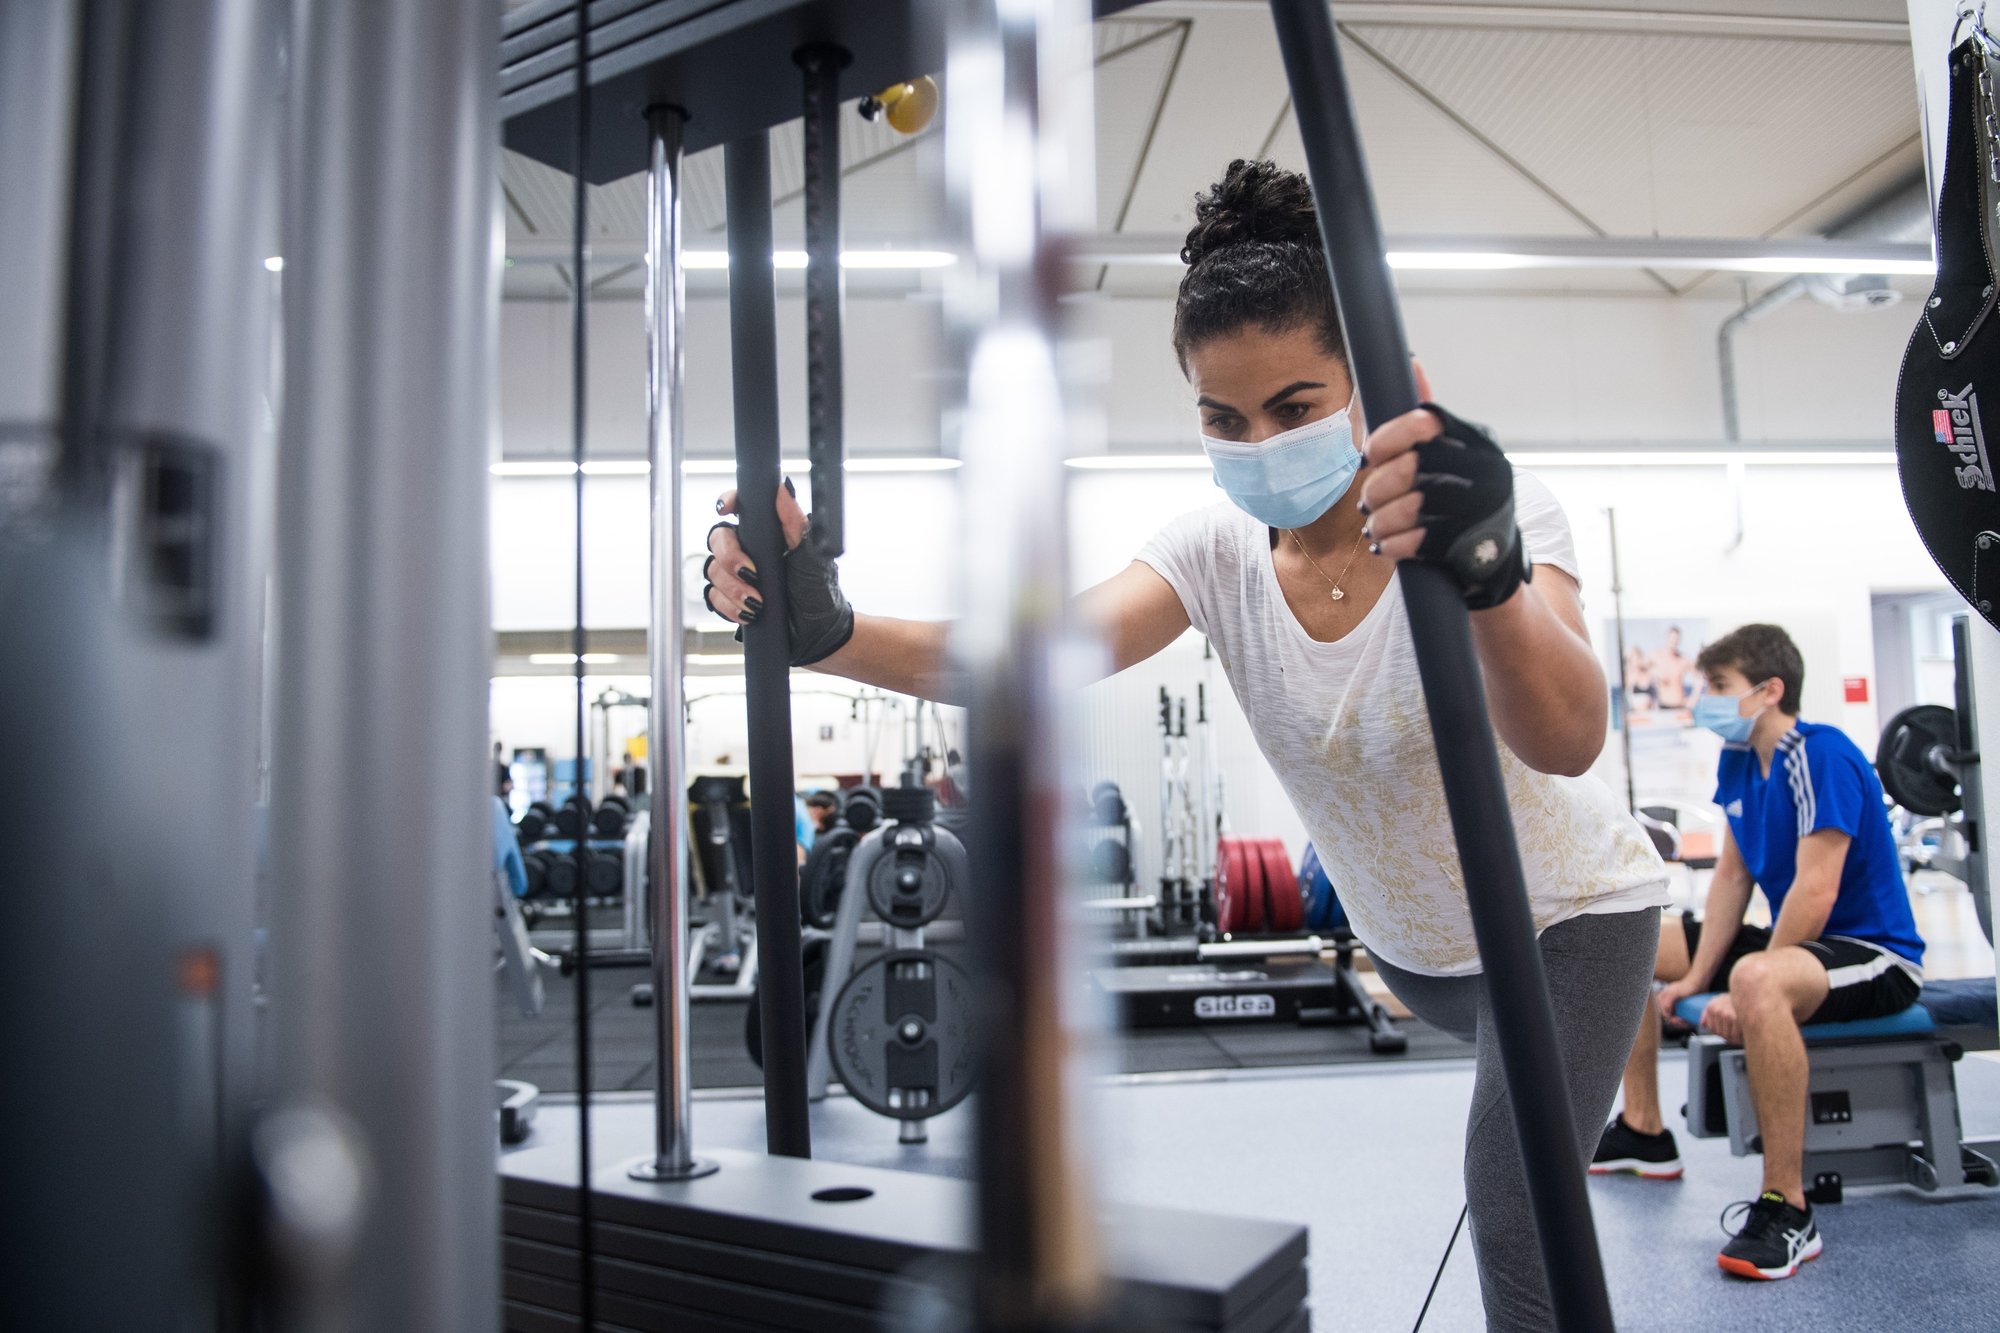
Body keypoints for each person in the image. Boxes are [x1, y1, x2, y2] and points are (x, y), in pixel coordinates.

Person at [700, 159, 1667, 1331]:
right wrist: (829, 634)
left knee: (1516, 1207)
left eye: (1295, 408)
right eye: (1223, 418)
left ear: (1364, 389)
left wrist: (1488, 573)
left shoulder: (1471, 517)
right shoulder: (1212, 553)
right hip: (1413, 952)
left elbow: (1564, 738)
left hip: (1561, 922)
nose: (1258, 443)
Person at [1591, 623, 1925, 1282]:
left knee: (1757, 977)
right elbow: (1732, 880)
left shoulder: (1820, 753)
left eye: (1719, 687)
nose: (1704, 699)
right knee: (1622, 933)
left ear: (1770, 690)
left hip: (1871, 949)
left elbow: (1816, 887)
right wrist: (1692, 976)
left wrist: (1746, 983)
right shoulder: (1740, 760)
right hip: (1799, 944)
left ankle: (1787, 1205)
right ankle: (1646, 1129)